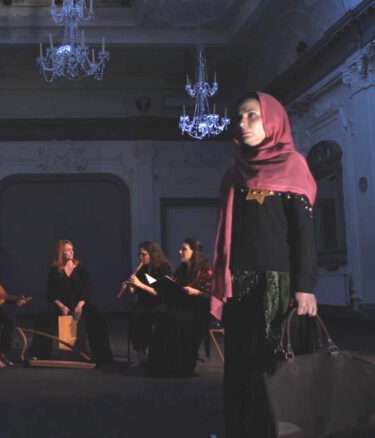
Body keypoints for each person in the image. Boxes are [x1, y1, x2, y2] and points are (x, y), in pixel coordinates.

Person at [211, 92, 318, 438]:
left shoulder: (293, 165)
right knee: (240, 367)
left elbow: (304, 236)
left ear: (273, 120)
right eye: (239, 118)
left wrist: (305, 286)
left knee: (276, 367)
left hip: (279, 287)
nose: (242, 124)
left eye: (252, 116)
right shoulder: (235, 174)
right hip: (241, 287)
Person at [29, 240, 113, 364]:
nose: (71, 252)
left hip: (79, 303)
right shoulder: (55, 269)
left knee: (97, 316)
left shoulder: (81, 267)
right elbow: (51, 292)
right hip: (61, 304)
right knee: (44, 314)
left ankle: (102, 355)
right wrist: (61, 305)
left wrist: (80, 304)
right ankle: (39, 353)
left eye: (72, 249)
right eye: (68, 250)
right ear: (61, 252)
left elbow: (87, 288)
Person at [122, 241, 173, 367]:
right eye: (139, 254)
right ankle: (141, 354)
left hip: (159, 303)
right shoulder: (143, 268)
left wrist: (140, 285)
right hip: (144, 302)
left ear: (153, 254)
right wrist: (131, 288)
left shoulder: (164, 268)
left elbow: (160, 292)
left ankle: (155, 354)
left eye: (143, 254)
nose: (141, 257)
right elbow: (137, 291)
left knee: (152, 315)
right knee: (134, 314)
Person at [172, 238, 213, 367]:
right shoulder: (181, 270)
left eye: (184, 249)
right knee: (168, 316)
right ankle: (172, 359)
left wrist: (195, 292)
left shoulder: (205, 269)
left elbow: (212, 295)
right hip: (185, 307)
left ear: (194, 252)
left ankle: (185, 360)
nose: (180, 251)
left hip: (200, 308)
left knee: (181, 318)